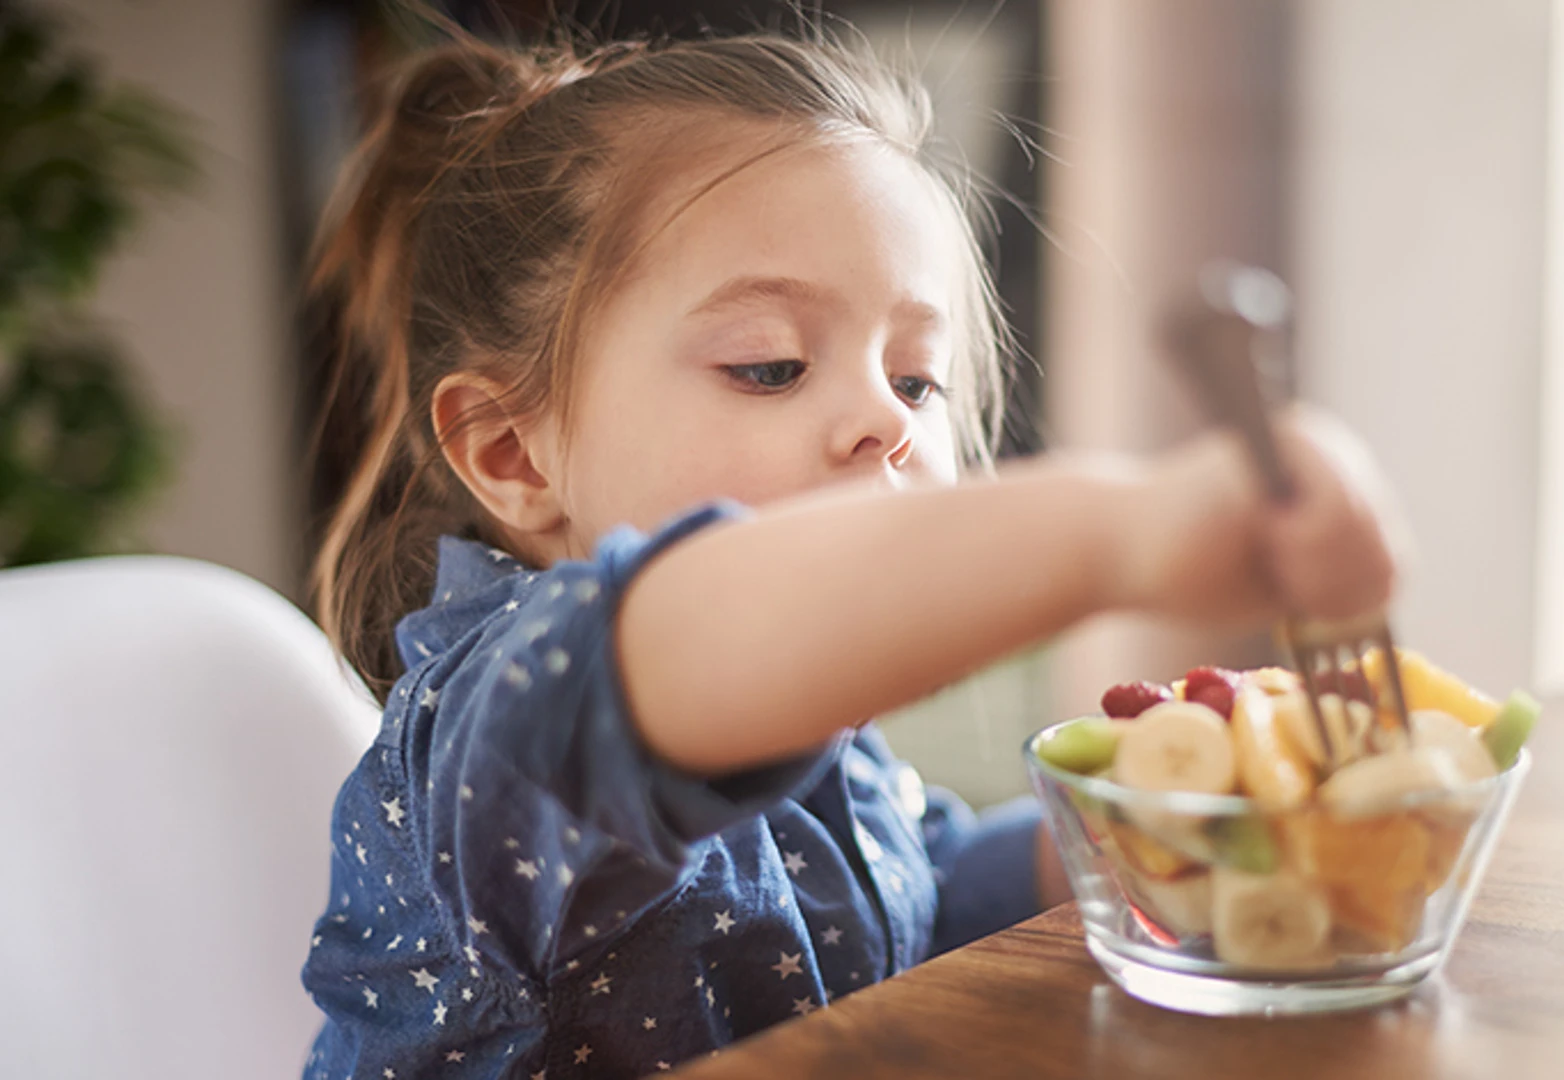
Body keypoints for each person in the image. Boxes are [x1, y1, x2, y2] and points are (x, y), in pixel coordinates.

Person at [299, 25, 1397, 1079]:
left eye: (916, 379)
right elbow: (706, 626)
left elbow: (919, 896)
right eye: (771, 366)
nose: (890, 421)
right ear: (512, 455)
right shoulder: (499, 730)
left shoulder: (825, 739)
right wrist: (1123, 525)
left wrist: (1130, 831)